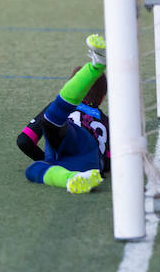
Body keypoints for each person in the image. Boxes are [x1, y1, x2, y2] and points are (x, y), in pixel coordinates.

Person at [17, 34, 109, 194]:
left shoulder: (66, 112)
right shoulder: (107, 121)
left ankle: (95, 67)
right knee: (33, 170)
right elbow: (109, 161)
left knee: (52, 119)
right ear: (103, 98)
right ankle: (71, 179)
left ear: (72, 85)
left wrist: (48, 156)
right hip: (91, 165)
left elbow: (24, 141)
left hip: (78, 141)